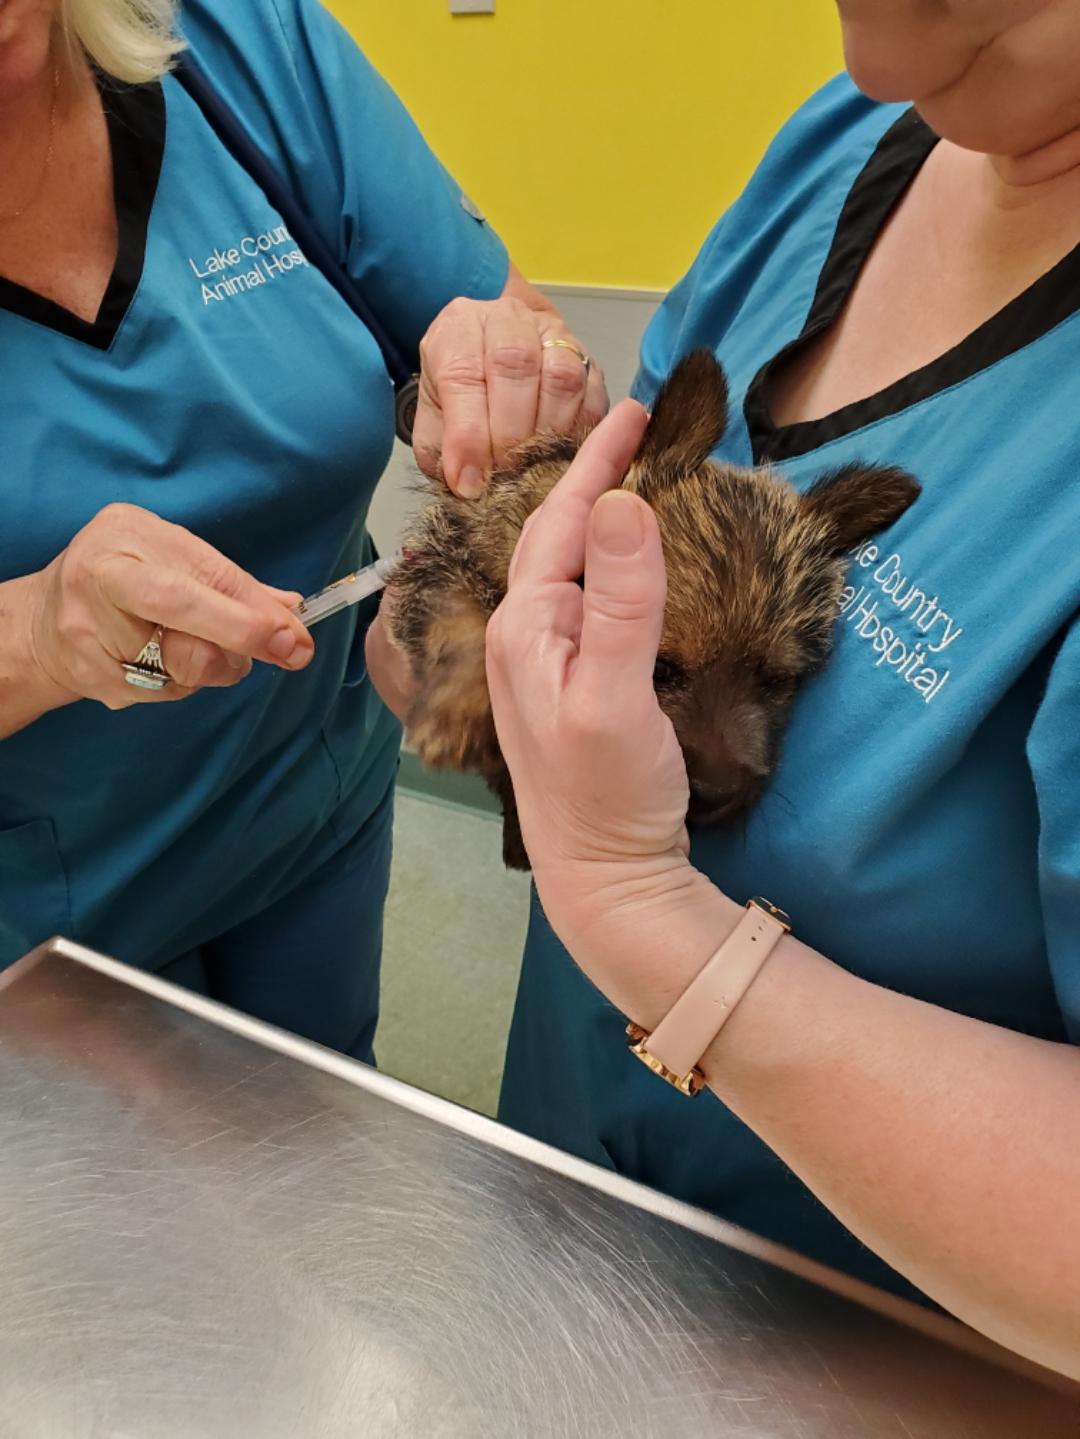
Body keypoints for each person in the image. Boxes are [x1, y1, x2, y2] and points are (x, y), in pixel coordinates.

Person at [378, 0, 1080, 1379]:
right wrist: (460, 605)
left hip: (868, 1355)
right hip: (561, 1189)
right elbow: (530, 595)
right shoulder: (843, 143)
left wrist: (646, 911)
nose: (870, 52)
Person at [0, 0, 604, 1057]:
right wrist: (39, 639)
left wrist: (509, 380)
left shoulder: (240, 45)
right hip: (42, 919)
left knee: (323, 1127)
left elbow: (520, 339)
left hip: (310, 807)